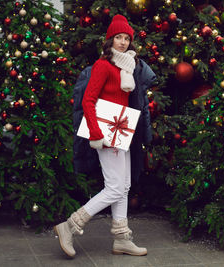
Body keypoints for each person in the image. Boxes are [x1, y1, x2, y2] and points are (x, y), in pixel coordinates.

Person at [54, 14, 156, 258]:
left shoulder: (128, 67)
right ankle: (69, 226)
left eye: (126, 38)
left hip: (121, 129)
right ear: (109, 41)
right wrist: (97, 133)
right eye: (118, 38)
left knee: (125, 185)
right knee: (114, 187)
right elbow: (89, 100)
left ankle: (121, 238)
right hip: (105, 130)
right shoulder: (103, 66)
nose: (122, 42)